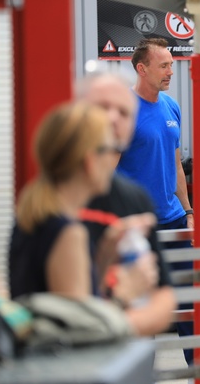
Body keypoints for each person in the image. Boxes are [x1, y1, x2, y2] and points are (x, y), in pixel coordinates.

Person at [9, 102, 150, 306]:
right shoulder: (69, 234)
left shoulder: (33, 214)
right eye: (113, 149)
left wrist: (105, 255)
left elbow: (78, 298)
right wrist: (126, 294)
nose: (115, 157)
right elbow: (80, 324)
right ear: (90, 161)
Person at [77, 71, 177, 337]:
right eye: (102, 107)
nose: (113, 118)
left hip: (127, 352)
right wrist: (120, 300)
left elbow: (163, 299)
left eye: (123, 112)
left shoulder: (135, 199)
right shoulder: (50, 197)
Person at [116, 38, 194, 363]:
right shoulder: (124, 110)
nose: (170, 72)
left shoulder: (171, 106)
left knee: (189, 304)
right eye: (163, 66)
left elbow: (176, 165)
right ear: (142, 68)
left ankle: (199, 374)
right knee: (139, 309)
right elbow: (108, 172)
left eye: (171, 65)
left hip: (174, 220)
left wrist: (189, 211)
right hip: (137, 225)